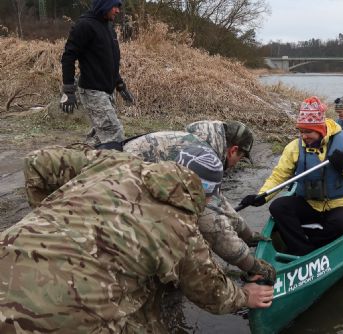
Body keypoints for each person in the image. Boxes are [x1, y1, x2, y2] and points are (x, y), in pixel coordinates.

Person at [0, 145, 274, 333]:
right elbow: (212, 293)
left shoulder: (118, 162)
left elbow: (36, 161)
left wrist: (49, 217)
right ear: (209, 195)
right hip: (60, 316)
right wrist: (244, 296)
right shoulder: (182, 228)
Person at [121, 120, 273, 276]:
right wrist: (252, 265)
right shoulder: (203, 159)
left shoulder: (204, 146)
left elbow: (217, 200)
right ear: (233, 150)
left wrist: (246, 234)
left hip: (131, 174)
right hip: (125, 187)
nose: (236, 164)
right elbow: (211, 224)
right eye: (240, 158)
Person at [240, 97, 343, 256]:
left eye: (309, 132)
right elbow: (279, 176)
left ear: (321, 129)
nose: (304, 136)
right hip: (309, 204)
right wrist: (262, 196)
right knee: (278, 207)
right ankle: (303, 249)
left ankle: (316, 242)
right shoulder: (294, 148)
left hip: (339, 204)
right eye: (301, 131)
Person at [60, 0, 134, 146]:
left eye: (119, 7)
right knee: (114, 135)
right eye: (114, 6)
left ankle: (85, 159)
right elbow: (68, 56)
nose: (118, 11)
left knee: (100, 136)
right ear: (103, 4)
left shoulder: (108, 27)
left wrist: (119, 84)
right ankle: (115, 167)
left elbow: (108, 62)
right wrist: (68, 89)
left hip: (107, 90)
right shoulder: (84, 25)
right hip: (92, 91)